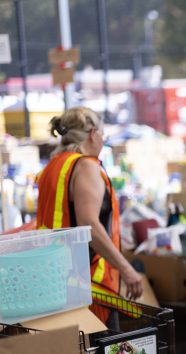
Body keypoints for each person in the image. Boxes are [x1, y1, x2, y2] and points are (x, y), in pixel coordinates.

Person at [36, 107, 143, 322]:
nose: (103, 140)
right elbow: (89, 225)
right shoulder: (85, 166)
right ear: (93, 134)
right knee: (100, 351)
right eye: (103, 134)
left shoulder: (53, 166)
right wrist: (126, 269)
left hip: (55, 282)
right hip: (89, 286)